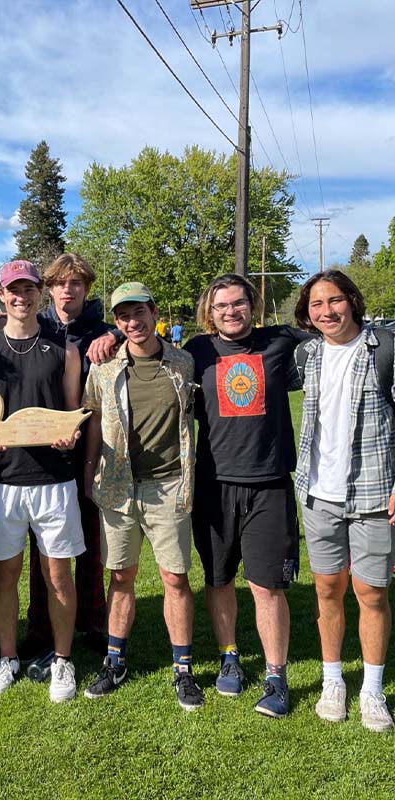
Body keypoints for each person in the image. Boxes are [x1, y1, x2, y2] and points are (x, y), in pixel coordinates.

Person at [184, 273, 309, 718]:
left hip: (269, 483)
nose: (231, 312)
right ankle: (230, 655)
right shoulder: (196, 353)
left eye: (238, 304)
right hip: (214, 485)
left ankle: (276, 675)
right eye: (221, 307)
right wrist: (106, 339)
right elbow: (146, 354)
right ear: (209, 312)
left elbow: (330, 334)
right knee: (218, 579)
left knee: (266, 585)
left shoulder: (280, 342)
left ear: (252, 305)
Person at [0, 260, 85, 703]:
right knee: (5, 575)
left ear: (41, 294)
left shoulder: (65, 348)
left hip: (54, 479)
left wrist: (71, 436)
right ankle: (8, 657)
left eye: (29, 289)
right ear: (2, 295)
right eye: (13, 289)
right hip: (3, 482)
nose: (22, 297)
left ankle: (62, 659)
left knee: (58, 575)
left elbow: (72, 413)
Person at [82, 283, 202, 710]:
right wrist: (88, 474)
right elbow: (93, 422)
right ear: (116, 322)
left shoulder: (183, 362)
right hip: (117, 486)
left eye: (139, 313)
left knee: (175, 577)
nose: (133, 323)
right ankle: (115, 661)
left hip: (168, 484)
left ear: (154, 312)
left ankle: (183, 668)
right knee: (120, 576)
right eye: (123, 317)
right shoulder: (103, 369)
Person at [293, 270, 395, 732]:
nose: (326, 312)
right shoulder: (307, 354)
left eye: (334, 301)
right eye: (316, 305)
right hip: (318, 494)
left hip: (373, 491)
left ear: (351, 301)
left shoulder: (385, 350)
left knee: (371, 593)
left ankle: (372, 690)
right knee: (327, 591)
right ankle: (333, 679)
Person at [19, 253, 108, 661]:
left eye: (76, 284)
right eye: (60, 283)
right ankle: (41, 624)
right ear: (49, 288)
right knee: (46, 549)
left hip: (94, 449)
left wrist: (116, 339)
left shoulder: (102, 333)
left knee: (90, 544)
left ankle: (94, 621)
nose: (67, 290)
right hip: (43, 457)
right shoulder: (36, 330)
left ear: (86, 289)